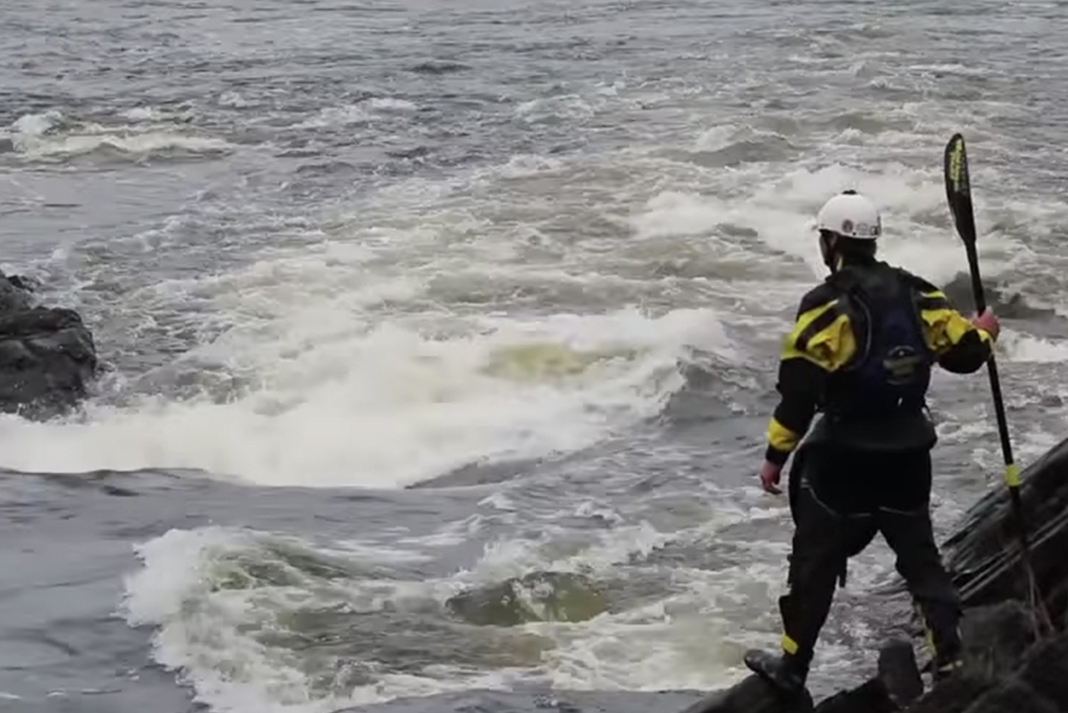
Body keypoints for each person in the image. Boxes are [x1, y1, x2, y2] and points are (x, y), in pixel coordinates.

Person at [746, 189, 1000, 695]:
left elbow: (799, 393)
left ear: (832, 242)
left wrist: (776, 456)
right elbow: (965, 354)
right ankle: (950, 659)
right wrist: (985, 331)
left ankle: (794, 667)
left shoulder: (824, 307)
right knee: (920, 559)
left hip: (842, 461)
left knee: (815, 560)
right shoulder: (918, 293)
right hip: (907, 454)